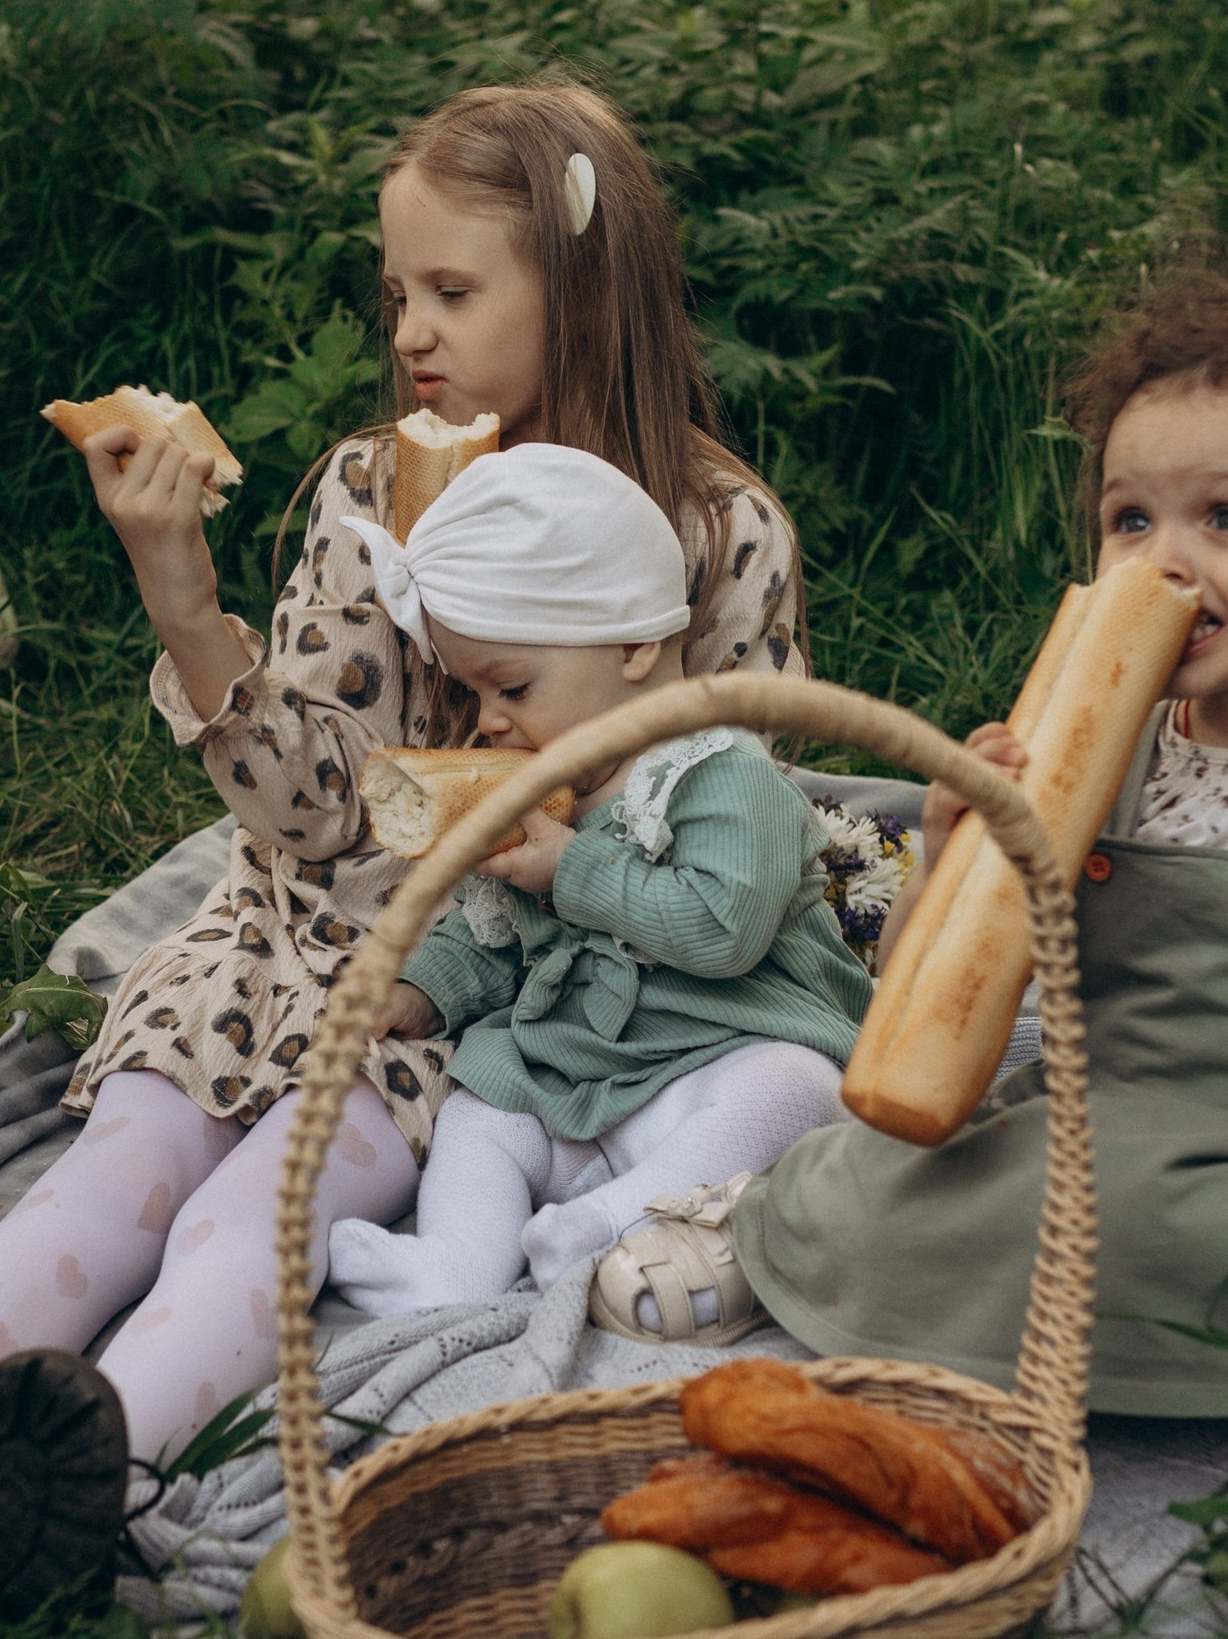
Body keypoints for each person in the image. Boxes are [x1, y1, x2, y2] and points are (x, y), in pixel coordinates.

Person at [0, 80, 812, 1616]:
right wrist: (178, 588)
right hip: (281, 924)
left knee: (256, 1202)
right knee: (117, 1167)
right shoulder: (367, 494)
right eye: (396, 291)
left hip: (475, 988)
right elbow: (310, 815)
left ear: (586, 291)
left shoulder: (720, 535)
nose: (410, 329)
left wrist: (521, 829)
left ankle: (82, 1468)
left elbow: (729, 824)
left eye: (455, 291)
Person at [602, 273, 1228, 1495]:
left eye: (1226, 520)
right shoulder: (1090, 754)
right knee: (926, 1177)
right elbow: (940, 1031)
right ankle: (782, 1229)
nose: (1167, 561)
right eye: (1131, 520)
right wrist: (953, 854)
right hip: (1084, 1130)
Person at [316, 442, 870, 1317]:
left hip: (716, 1063)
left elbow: (722, 931)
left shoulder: (727, 774)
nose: (492, 722)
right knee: (484, 1103)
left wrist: (571, 867)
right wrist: (422, 990)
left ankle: (612, 1225)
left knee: (799, 1091)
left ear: (638, 646)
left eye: (514, 687)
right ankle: (457, 1263)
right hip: (580, 1081)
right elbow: (493, 928)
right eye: (475, 694)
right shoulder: (547, 787)